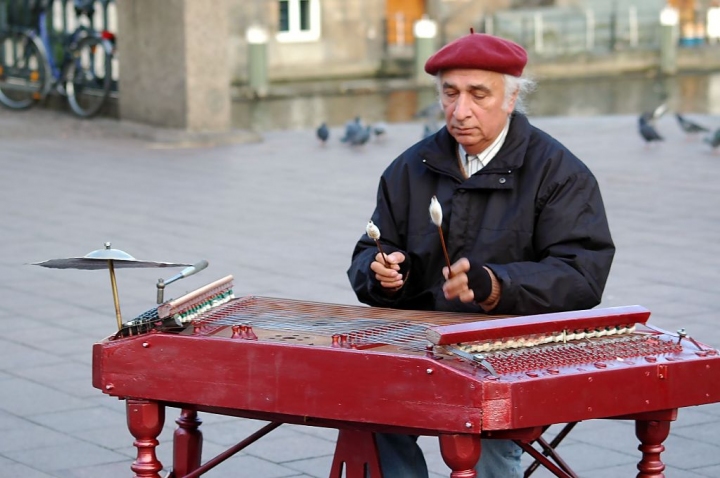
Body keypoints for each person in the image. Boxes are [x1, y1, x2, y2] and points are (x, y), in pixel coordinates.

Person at [346, 30, 615, 477]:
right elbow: (371, 249)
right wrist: (386, 272)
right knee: (372, 412)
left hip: (515, 347)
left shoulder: (559, 172)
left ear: (511, 99)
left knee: (486, 429)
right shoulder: (411, 166)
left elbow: (582, 273)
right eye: (450, 93)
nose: (460, 110)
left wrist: (496, 286)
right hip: (424, 341)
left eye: (478, 94)